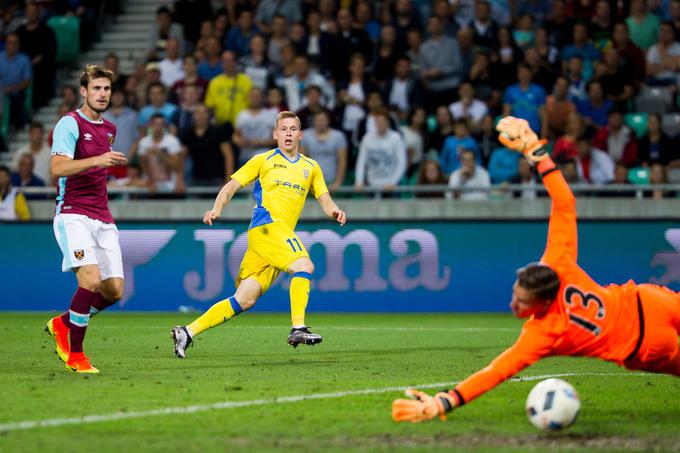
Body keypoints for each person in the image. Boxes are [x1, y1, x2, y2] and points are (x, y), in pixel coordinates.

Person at [392, 116, 680, 423]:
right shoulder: (559, 262)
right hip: (647, 299)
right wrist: (536, 152)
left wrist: (446, 402)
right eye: (516, 295)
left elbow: (498, 370)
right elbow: (565, 201)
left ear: (542, 304)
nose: (512, 303)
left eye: (521, 302)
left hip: (645, 345)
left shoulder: (545, 332)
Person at [171, 111, 347, 357]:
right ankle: (298, 327)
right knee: (304, 266)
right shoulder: (263, 160)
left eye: (293, 129)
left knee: (244, 299)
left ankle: (187, 331)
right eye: (283, 129)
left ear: (300, 134)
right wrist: (216, 208)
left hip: (272, 238)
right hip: (266, 227)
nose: (288, 133)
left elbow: (324, 198)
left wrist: (335, 211)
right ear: (275, 134)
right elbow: (231, 186)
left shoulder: (311, 167)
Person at [46, 65, 128, 374]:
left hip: (102, 217)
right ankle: (76, 355)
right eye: (96, 89)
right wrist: (98, 159)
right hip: (73, 214)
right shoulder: (69, 124)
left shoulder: (109, 129)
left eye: (106, 89)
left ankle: (63, 322)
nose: (102, 94)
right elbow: (57, 168)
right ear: (84, 91)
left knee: (113, 291)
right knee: (90, 280)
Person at [301, 110, 348, 192]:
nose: (320, 122)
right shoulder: (306, 135)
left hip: (331, 179)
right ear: (314, 122)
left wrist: (337, 182)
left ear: (328, 121)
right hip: (312, 180)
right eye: (318, 120)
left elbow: (342, 161)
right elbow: (301, 160)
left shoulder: (338, 136)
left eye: (323, 120)